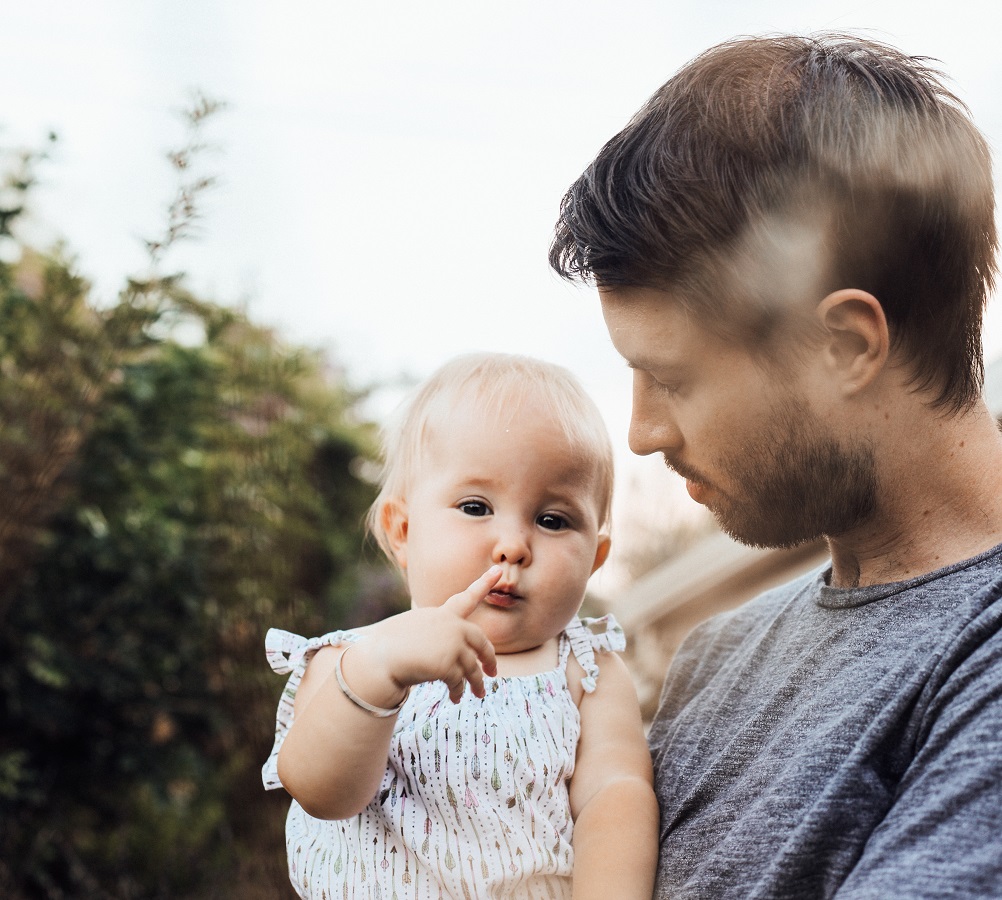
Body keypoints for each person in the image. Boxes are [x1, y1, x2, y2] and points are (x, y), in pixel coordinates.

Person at [549, 32, 1002, 899]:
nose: (640, 432)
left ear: (844, 346)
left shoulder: (978, 652)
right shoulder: (718, 654)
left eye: (672, 378)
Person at [262, 353, 658, 899]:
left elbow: (615, 798)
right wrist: (379, 674)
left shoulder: (585, 673)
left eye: (552, 520)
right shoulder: (350, 661)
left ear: (595, 557)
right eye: (475, 506)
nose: (513, 546)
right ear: (402, 531)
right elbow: (321, 793)